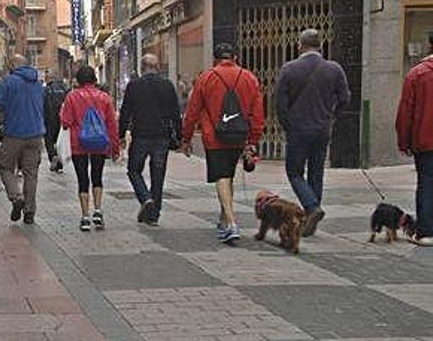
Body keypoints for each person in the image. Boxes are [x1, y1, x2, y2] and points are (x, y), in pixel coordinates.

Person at [180, 43, 264, 243]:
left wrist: (186, 138)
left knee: (222, 176)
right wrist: (253, 139)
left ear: (215, 58)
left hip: (214, 137)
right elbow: (258, 112)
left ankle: (232, 223)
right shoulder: (249, 77)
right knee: (229, 176)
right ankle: (224, 218)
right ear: (235, 57)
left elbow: (192, 112)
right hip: (239, 135)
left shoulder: (206, 78)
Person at [276, 29, 351, 237]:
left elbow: (280, 104)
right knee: (316, 172)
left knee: (294, 172)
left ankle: (311, 207)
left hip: (298, 129)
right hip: (322, 128)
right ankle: (312, 215)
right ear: (320, 45)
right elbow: (345, 97)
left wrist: (287, 125)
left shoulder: (289, 69)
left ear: (300, 45)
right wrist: (332, 115)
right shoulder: (334, 69)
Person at [120, 54, 181, 226]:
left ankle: (145, 198)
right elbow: (176, 113)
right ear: (157, 66)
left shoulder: (134, 86)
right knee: (158, 175)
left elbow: (125, 111)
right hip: (162, 136)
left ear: (142, 67)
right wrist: (181, 136)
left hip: (141, 135)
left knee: (133, 170)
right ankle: (153, 216)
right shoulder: (167, 85)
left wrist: (121, 135)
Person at [60, 66, 120, 231]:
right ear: (94, 79)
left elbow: (65, 122)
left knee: (82, 180)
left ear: (78, 80)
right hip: (100, 143)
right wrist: (115, 148)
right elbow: (112, 125)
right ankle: (98, 211)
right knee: (97, 176)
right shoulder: (105, 98)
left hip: (79, 144)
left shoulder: (72, 97)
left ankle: (85, 216)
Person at [0, 55, 45, 225]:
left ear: (14, 65)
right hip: (36, 134)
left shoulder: (9, 82)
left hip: (14, 133)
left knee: (6, 166)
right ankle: (29, 212)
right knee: (31, 173)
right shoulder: (37, 83)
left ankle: (16, 197)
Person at [396, 33, 433, 246]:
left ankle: (426, 231)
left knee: (427, 183)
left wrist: (404, 141)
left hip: (425, 140)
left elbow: (406, 111)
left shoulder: (417, 74)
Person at [43, 71, 70, 172]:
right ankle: (60, 163)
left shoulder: (45, 90)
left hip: (48, 119)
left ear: (49, 79)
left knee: (49, 141)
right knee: (60, 141)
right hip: (61, 119)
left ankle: (53, 156)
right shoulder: (64, 89)